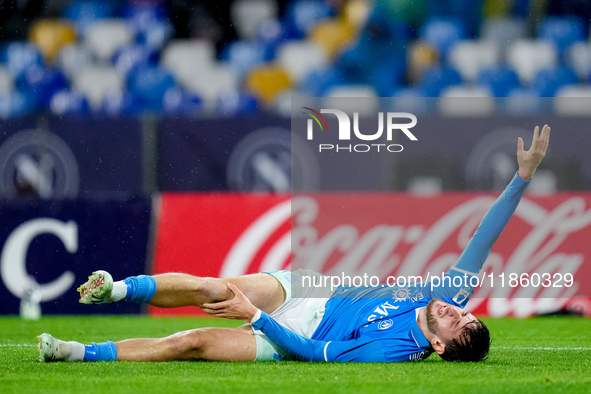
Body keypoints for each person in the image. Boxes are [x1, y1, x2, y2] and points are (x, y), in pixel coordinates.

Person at [37, 125, 551, 363]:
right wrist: (522, 179)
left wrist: (257, 319)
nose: (462, 312)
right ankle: (117, 291)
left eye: (460, 325)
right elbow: (485, 236)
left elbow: (312, 352)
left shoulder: (394, 351)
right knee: (211, 288)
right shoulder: (450, 295)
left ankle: (78, 353)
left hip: (289, 336)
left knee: (190, 343)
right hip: (314, 288)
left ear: (438, 345)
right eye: (469, 314)